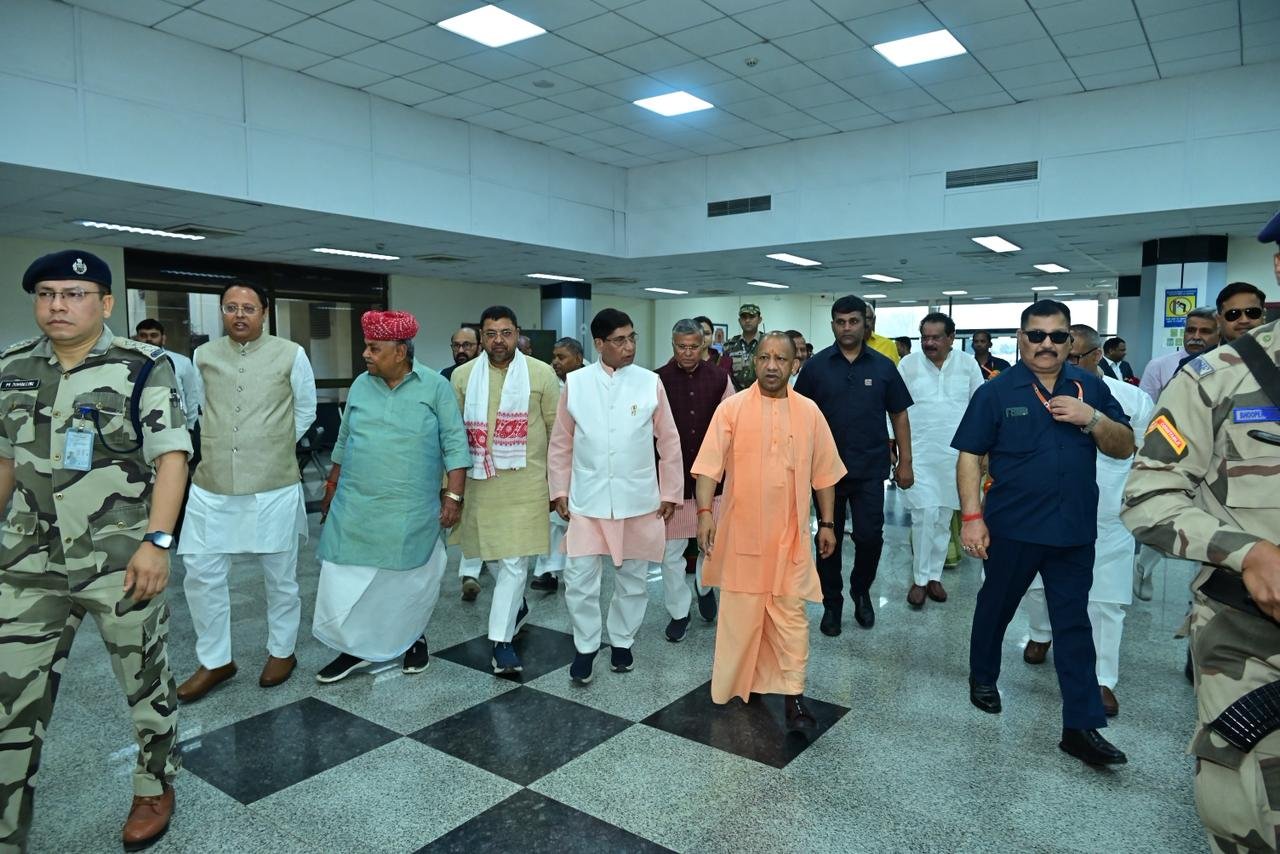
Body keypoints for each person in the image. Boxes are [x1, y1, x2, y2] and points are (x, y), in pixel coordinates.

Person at [0, 250, 191, 850]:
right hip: (27, 561)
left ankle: (154, 782)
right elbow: (4, 460)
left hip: (119, 558)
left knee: (144, 679)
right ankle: (8, 811)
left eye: (74, 293)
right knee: (10, 692)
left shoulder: (142, 367)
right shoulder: (11, 366)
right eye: (46, 294)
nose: (57, 304)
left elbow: (171, 459)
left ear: (105, 303)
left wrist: (157, 543)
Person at [1122, 308, 1280, 849]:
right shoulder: (1218, 377)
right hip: (1252, 642)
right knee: (1248, 815)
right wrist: (1249, 553)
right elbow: (1147, 499)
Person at [954, 299, 1134, 766]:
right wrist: (972, 517)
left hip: (1074, 526)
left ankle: (1080, 726)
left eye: (1057, 336)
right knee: (997, 605)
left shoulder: (1091, 386)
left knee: (1074, 622)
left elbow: (1124, 445)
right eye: (1036, 335)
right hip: (1014, 526)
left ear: (1070, 342)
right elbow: (970, 455)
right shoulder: (996, 392)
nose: (1046, 345)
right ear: (1021, 338)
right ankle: (983, 676)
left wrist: (1090, 418)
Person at [693, 332, 846, 731]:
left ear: (796, 364)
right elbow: (709, 466)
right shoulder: (732, 409)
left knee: (791, 619)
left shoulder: (810, 412)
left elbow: (825, 474)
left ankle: (794, 695)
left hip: (790, 539)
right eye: (764, 357)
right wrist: (705, 513)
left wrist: (826, 524)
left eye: (781, 358)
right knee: (741, 618)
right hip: (742, 537)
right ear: (754, 362)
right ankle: (744, 685)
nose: (772, 365)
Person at [176, 282, 317, 702]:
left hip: (272, 483)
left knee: (280, 576)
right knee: (201, 575)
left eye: (248, 308)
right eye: (231, 308)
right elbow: (197, 410)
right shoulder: (202, 356)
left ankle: (282, 651)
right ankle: (215, 660)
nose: (240, 315)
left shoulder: (291, 354)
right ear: (221, 312)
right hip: (212, 482)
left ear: (264, 312)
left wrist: (273, 443)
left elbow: (305, 408)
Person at [312, 311, 469, 683]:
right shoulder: (362, 386)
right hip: (356, 505)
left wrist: (454, 498)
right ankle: (354, 647)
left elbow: (455, 445)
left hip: (409, 507)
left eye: (373, 347)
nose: (365, 354)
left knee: (405, 582)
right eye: (367, 346)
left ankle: (412, 638)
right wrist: (332, 486)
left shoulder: (434, 387)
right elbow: (345, 439)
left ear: (400, 351)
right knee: (345, 576)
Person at [1020, 325, 1152, 717]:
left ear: (1097, 356)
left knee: (1105, 600)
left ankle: (1101, 678)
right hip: (1045, 512)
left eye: (1076, 357)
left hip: (1108, 515)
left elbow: (1152, 454)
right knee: (1038, 586)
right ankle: (1040, 634)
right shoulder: (1032, 394)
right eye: (1063, 354)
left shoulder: (1133, 399)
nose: (1067, 363)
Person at [548, 309, 683, 683]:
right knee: (579, 579)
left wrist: (671, 491)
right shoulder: (575, 384)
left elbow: (669, 443)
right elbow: (561, 443)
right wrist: (559, 489)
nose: (629, 346)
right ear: (599, 344)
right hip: (587, 499)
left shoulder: (649, 382)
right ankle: (586, 647)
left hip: (638, 499)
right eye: (620, 340)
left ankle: (622, 641)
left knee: (633, 578)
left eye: (632, 337)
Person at [795, 295, 913, 634]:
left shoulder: (882, 366)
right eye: (840, 322)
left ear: (866, 323)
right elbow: (800, 417)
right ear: (833, 325)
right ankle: (832, 603)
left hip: (870, 469)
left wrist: (905, 462)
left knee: (869, 538)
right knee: (827, 538)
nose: (847, 328)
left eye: (854, 321)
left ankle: (861, 591)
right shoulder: (815, 368)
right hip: (825, 473)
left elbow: (899, 414)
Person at [453, 306, 560, 675]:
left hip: (526, 485)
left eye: (506, 332)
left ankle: (501, 643)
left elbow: (558, 435)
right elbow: (452, 439)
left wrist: (558, 487)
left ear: (517, 333)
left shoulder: (542, 374)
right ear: (481, 338)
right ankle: (518, 607)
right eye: (491, 334)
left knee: (514, 563)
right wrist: (450, 491)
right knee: (494, 557)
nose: (499, 340)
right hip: (481, 484)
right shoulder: (463, 377)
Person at [897, 312, 982, 608]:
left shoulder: (968, 364)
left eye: (935, 337)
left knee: (944, 517)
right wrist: (897, 453)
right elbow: (895, 410)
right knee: (924, 515)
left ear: (951, 338)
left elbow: (980, 408)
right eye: (925, 338)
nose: (929, 343)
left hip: (956, 457)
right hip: (919, 453)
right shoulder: (908, 364)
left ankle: (935, 576)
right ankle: (920, 580)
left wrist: (981, 454)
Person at [655, 319, 734, 641]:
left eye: (693, 347)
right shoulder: (657, 380)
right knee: (669, 553)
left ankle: (704, 587)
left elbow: (732, 425)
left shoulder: (719, 378)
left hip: (711, 480)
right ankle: (678, 612)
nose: (687, 353)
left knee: (710, 546)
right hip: (670, 481)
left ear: (704, 346)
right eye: (680, 347)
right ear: (672, 345)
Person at [532, 336, 585, 592]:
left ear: (578, 357)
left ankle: (576, 569)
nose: (555, 362)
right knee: (553, 520)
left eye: (561, 357)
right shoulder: (551, 384)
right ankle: (548, 572)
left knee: (576, 521)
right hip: (557, 459)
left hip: (585, 463)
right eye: (554, 356)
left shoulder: (591, 383)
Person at [134, 319, 203, 432]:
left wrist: (190, 428)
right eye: (143, 335)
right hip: (140, 427)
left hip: (176, 427)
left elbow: (192, 397)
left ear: (163, 339)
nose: (148, 339)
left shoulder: (181, 362)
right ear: (136, 339)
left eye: (154, 335)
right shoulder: (128, 365)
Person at [1139, 307, 1220, 400]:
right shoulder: (1158, 366)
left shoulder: (1229, 365)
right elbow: (1146, 409)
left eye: (1205, 331)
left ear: (1219, 334)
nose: (1196, 337)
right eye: (1190, 330)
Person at [723, 304, 763, 391]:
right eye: (744, 317)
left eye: (752, 317)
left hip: (761, 394)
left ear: (759, 320)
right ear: (739, 320)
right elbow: (724, 373)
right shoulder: (729, 345)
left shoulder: (767, 342)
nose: (747, 320)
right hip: (735, 396)